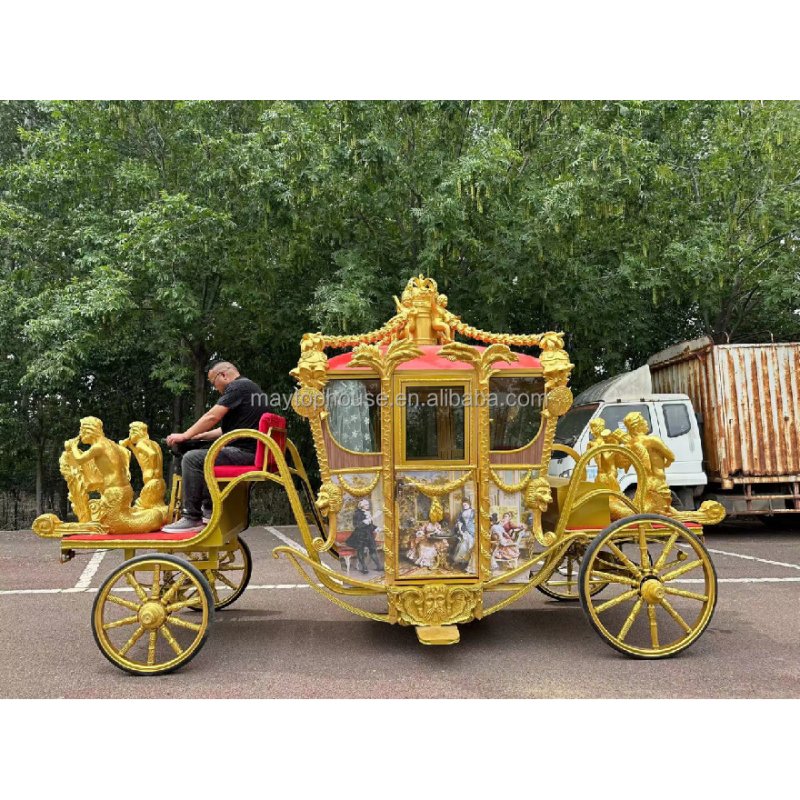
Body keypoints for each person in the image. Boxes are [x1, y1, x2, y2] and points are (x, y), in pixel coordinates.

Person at [163, 361, 266, 532]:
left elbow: (212, 417)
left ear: (223, 375)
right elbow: (227, 430)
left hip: (245, 453)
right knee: (203, 455)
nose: (215, 388)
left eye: (213, 383)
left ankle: (192, 517)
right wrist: (201, 435)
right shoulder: (250, 388)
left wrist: (184, 435)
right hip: (252, 451)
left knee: (192, 458)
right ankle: (209, 510)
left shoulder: (237, 387)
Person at [346, 499, 382, 574]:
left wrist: (376, 528)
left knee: (372, 550)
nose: (368, 506)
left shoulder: (367, 513)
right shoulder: (357, 513)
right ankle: (364, 568)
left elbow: (369, 525)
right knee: (360, 551)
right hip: (360, 535)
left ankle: (379, 566)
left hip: (368, 534)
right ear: (362, 506)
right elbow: (357, 525)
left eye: (368, 504)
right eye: (366, 505)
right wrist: (370, 519)